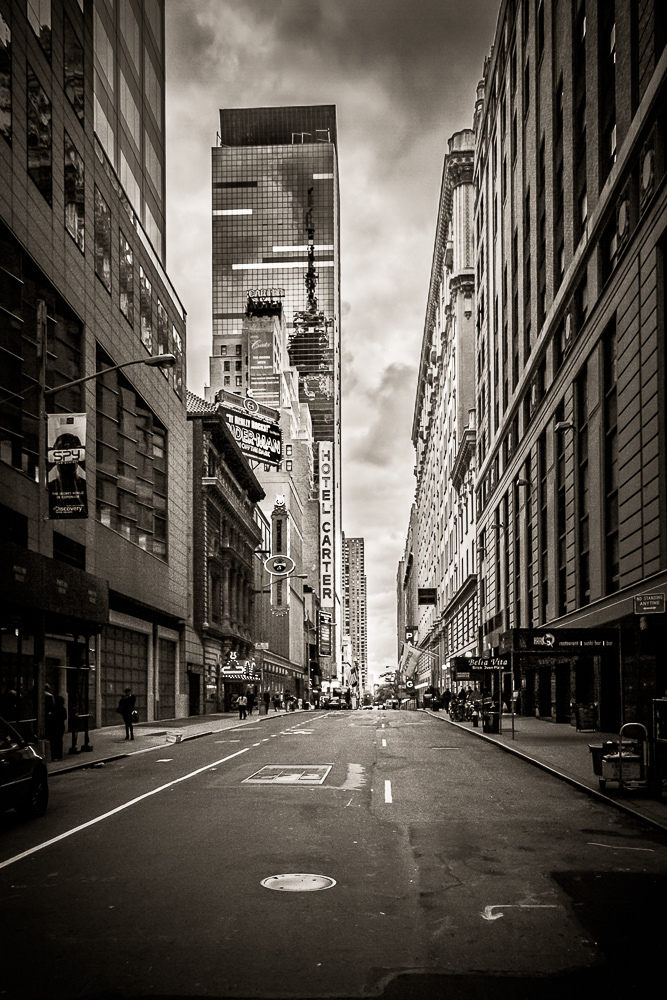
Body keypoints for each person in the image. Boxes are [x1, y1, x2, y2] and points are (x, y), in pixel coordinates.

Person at [47, 695, 67, 761]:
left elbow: (50, 716)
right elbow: (65, 717)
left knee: (53, 740)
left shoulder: (53, 708)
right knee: (59, 740)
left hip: (53, 725)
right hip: (60, 726)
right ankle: (59, 755)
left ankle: (53, 755)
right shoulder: (63, 709)